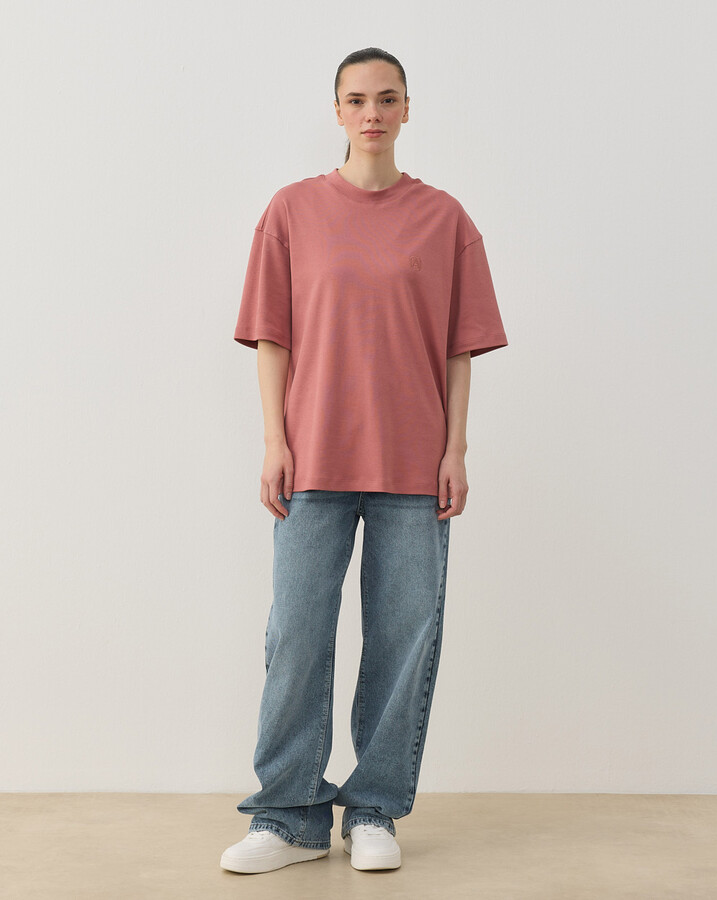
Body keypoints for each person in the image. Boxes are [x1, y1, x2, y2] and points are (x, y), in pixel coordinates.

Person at [220, 47, 508, 876]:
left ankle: (375, 809)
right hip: (312, 457)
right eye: (356, 99)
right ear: (338, 111)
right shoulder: (291, 211)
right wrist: (274, 441)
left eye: (387, 98)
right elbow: (272, 337)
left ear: (407, 109)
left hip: (414, 465)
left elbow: (458, 348)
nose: (372, 112)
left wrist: (455, 449)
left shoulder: (446, 220)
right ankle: (288, 816)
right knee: (296, 636)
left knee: (401, 641)